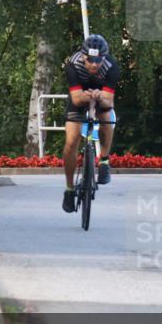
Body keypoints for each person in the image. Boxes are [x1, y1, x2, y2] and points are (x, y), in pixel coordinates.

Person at [62, 34, 120, 212]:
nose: (94, 64)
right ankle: (69, 189)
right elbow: (77, 99)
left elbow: (108, 102)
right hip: (79, 95)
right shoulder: (73, 65)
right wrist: (87, 96)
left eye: (98, 60)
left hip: (101, 96)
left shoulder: (111, 68)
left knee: (106, 118)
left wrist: (99, 97)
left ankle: (103, 160)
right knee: (71, 142)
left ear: (104, 58)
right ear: (83, 56)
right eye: (90, 60)